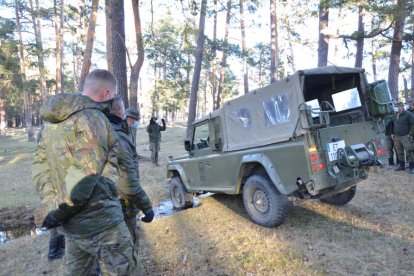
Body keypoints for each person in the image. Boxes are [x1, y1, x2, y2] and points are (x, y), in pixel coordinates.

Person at [32, 69, 145, 274]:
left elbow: (40, 166)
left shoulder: (50, 122)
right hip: (102, 223)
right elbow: (84, 177)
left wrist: (52, 203)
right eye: (113, 94)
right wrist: (58, 209)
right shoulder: (94, 119)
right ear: (107, 93)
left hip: (71, 224)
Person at [106, 97, 154, 257]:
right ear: (125, 115)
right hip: (123, 200)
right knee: (128, 245)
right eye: (135, 121)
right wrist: (147, 207)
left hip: (111, 200)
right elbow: (128, 180)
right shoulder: (119, 136)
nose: (136, 124)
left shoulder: (110, 131)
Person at [391, 101, 414, 174]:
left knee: (409, 151)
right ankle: (401, 166)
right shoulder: (395, 115)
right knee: (399, 152)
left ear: (402, 106)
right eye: (397, 106)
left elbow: (413, 124)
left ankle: (411, 167)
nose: (398, 108)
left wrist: (410, 134)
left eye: (400, 106)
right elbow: (393, 124)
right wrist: (392, 133)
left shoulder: (408, 114)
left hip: (405, 136)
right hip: (397, 137)